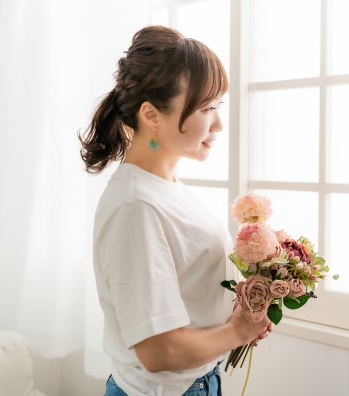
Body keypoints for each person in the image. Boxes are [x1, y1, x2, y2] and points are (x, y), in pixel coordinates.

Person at [77, 25, 273, 396]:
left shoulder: (163, 186)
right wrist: (237, 331)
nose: (217, 123)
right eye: (206, 108)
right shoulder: (135, 205)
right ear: (151, 115)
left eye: (219, 105)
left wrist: (239, 316)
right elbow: (157, 350)